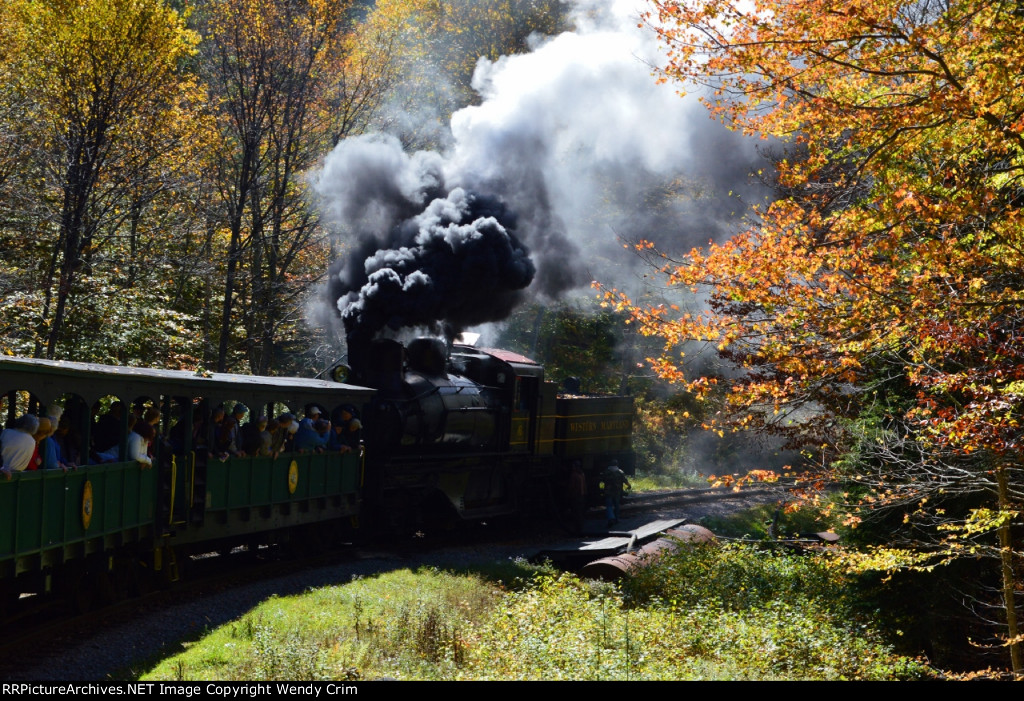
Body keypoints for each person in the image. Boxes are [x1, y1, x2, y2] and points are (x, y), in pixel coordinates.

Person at [602, 459, 630, 528]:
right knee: (616, 505)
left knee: (609, 506)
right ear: (617, 464)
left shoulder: (606, 472)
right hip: (617, 492)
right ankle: (617, 519)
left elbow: (602, 479)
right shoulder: (620, 472)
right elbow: (625, 480)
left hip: (608, 491)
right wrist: (629, 485)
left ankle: (611, 518)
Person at [567, 460, 587, 534]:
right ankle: (580, 528)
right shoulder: (582, 474)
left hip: (576, 496)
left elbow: (571, 486)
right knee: (580, 512)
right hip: (581, 496)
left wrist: (569, 494)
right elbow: (584, 486)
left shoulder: (574, 475)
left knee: (575, 512)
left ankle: (577, 529)